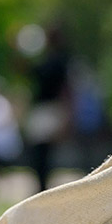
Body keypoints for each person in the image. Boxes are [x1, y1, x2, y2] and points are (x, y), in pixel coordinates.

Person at [24, 24, 73, 192]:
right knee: (40, 153)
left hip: (49, 109)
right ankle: (41, 187)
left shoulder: (58, 61)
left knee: (42, 153)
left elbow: (64, 89)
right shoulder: (54, 59)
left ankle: (42, 187)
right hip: (46, 109)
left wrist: (66, 113)